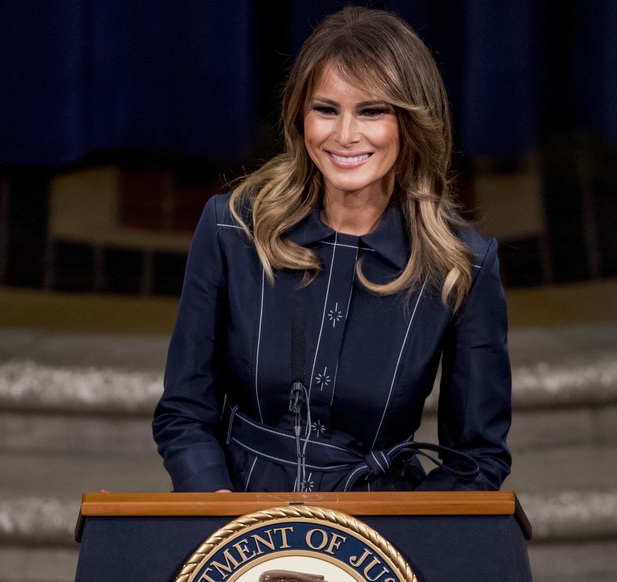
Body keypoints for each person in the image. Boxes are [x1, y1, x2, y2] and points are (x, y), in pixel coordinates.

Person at [153, 6, 512, 493]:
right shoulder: (230, 228)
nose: (345, 135)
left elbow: (476, 460)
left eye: (372, 111)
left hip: (380, 539)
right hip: (237, 524)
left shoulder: (462, 266)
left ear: (410, 122)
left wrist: (393, 547)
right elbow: (184, 413)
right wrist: (224, 521)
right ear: (300, 117)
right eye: (326, 109)